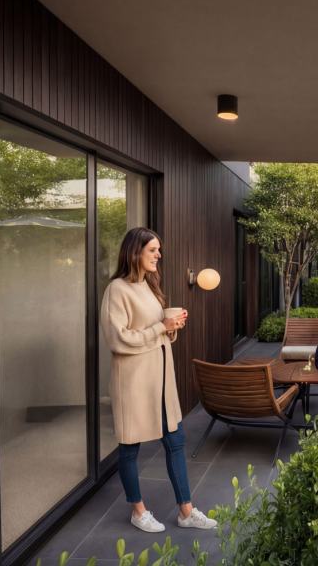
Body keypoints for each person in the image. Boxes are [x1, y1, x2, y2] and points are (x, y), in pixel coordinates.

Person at [99, 227, 218, 533]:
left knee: (175, 440)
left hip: (161, 380)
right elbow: (117, 339)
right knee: (130, 447)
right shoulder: (117, 290)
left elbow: (157, 331)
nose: (158, 255)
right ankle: (138, 511)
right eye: (153, 250)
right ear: (135, 252)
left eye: (158, 250)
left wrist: (171, 326)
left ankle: (186, 511)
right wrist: (161, 327)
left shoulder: (150, 285)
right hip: (133, 382)